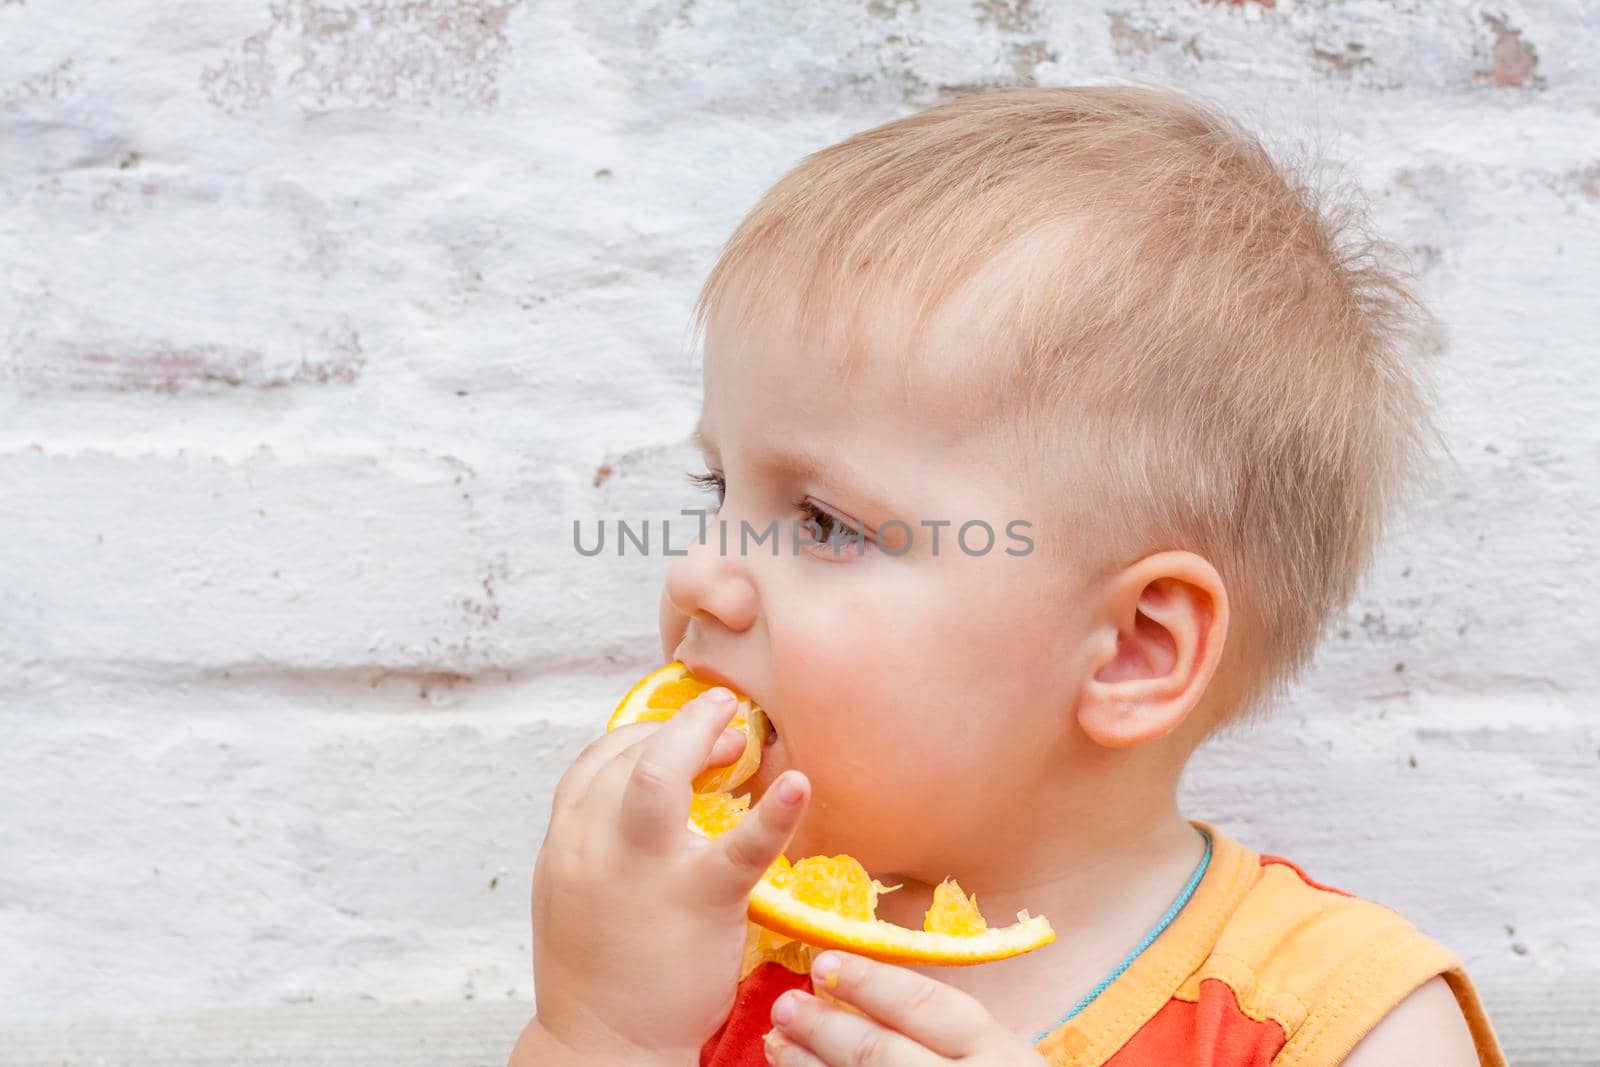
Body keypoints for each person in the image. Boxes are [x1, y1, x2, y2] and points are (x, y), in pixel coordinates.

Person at [513, 84, 1507, 1066]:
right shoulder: (687, 945)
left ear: (1130, 650)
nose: (698, 573)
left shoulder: (1336, 1020)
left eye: (822, 521)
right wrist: (600, 1030)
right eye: (717, 482)